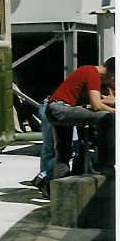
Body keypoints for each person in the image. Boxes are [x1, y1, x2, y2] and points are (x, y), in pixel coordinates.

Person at [44, 57, 115, 192]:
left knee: (63, 152)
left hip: (55, 110)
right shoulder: (92, 73)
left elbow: (103, 99)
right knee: (107, 118)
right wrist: (114, 111)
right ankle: (106, 164)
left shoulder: (89, 73)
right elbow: (96, 105)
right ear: (111, 74)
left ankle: (58, 189)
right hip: (62, 109)